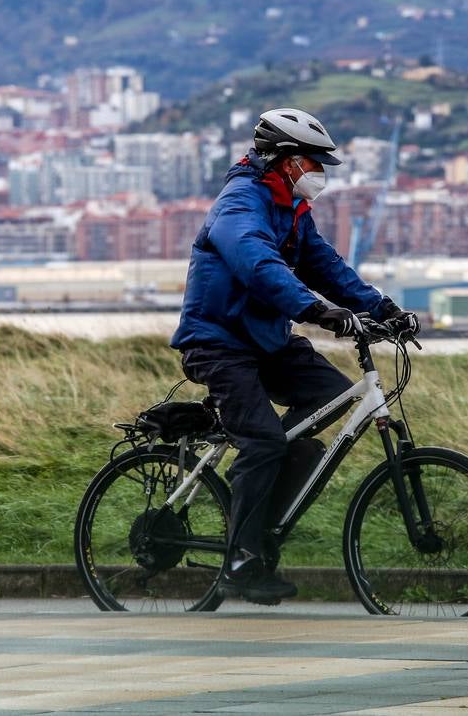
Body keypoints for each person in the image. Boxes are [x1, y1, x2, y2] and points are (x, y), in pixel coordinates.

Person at [171, 107, 415, 605]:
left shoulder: (291, 210)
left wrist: (382, 307)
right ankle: (240, 557)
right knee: (264, 443)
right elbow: (258, 265)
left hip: (267, 342)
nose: (319, 174)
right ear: (284, 161)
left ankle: (260, 531)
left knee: (321, 413)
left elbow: (325, 265)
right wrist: (314, 310)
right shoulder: (240, 204)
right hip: (218, 343)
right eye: (313, 162)